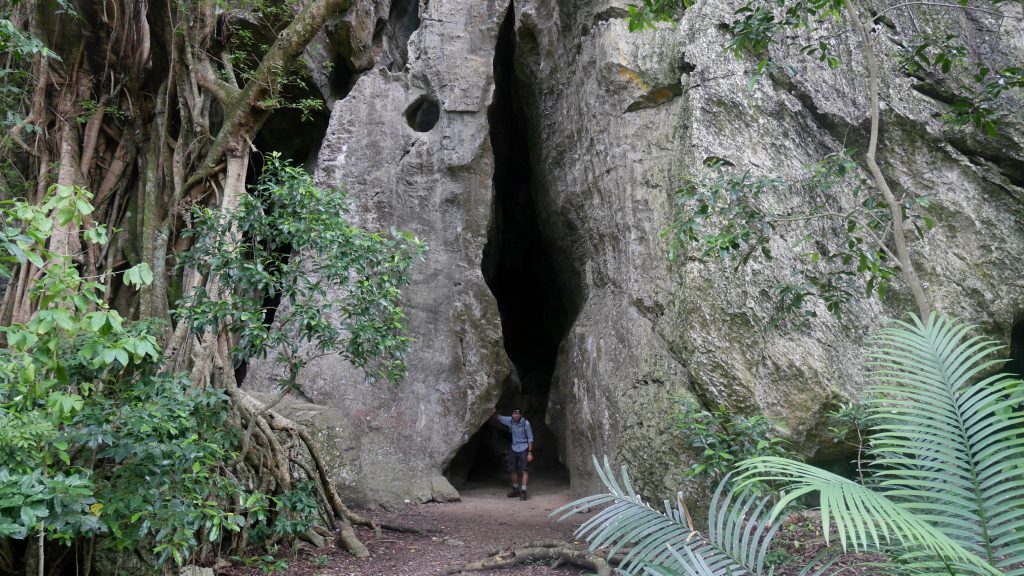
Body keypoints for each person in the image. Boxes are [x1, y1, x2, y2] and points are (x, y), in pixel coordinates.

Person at [492, 407, 534, 500]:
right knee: (512, 470)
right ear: (512, 415)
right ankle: (515, 490)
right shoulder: (510, 421)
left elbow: (530, 439)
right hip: (514, 448)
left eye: (517, 414)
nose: (516, 415)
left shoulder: (526, 423)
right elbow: (499, 418)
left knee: (524, 470)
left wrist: (530, 453)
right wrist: (494, 413)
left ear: (521, 415)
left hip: (524, 447)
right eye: (514, 414)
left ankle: (523, 492)